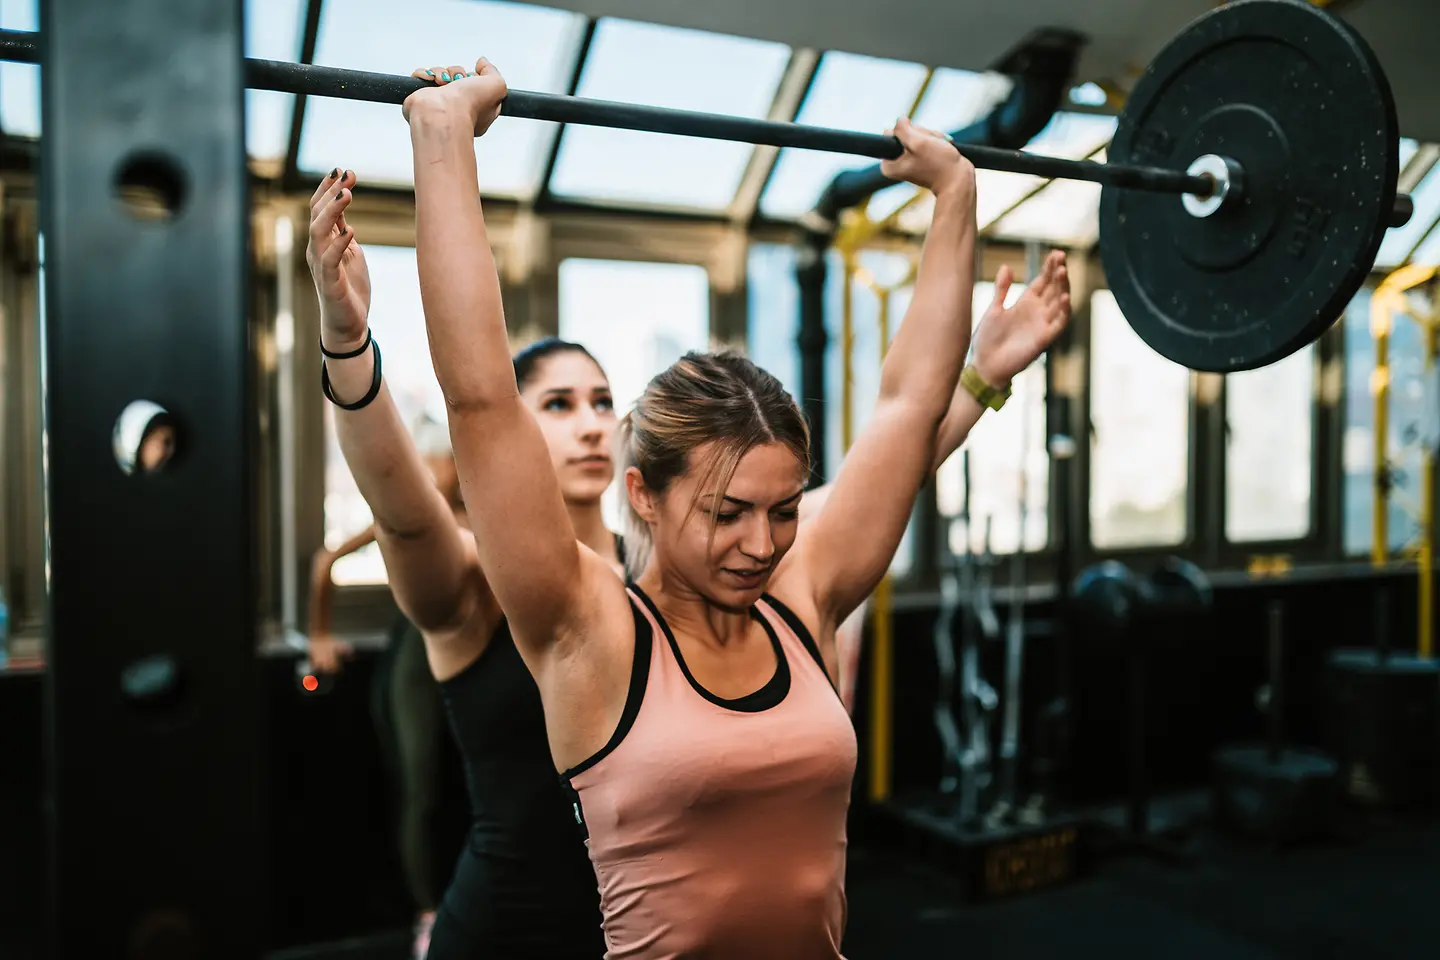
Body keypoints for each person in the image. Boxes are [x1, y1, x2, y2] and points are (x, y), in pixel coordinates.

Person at [400, 59, 1069, 958]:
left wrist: (955, 195)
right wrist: (444, 142)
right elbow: (481, 395)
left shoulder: (803, 596)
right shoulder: (587, 630)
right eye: (726, 514)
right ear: (645, 493)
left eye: (784, 509)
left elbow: (910, 406)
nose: (762, 544)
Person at [307, 165, 620, 958]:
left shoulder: (656, 571)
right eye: (559, 404)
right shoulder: (481, 582)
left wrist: (977, 381)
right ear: (513, 429)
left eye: (603, 401)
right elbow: (404, 514)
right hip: (502, 937)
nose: (591, 424)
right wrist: (347, 338)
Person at [306, 413, 459, 957]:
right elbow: (326, 562)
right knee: (421, 786)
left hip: (473, 661)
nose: (442, 469)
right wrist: (319, 636)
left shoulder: (486, 511)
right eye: (438, 459)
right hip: (415, 657)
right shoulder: (412, 514)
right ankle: (426, 911)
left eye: (445, 459)